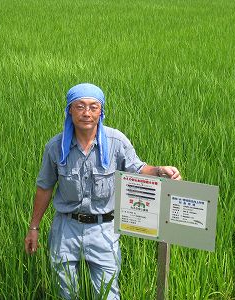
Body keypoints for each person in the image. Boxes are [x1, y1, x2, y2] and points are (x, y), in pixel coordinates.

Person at [24, 83, 181, 299]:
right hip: (65, 229)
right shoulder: (56, 146)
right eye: (79, 106)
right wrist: (34, 227)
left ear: (101, 111)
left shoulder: (116, 142)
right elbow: (45, 187)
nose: (86, 113)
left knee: (108, 294)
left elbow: (137, 168)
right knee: (66, 293)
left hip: (103, 229)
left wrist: (159, 170)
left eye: (93, 107)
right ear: (69, 110)